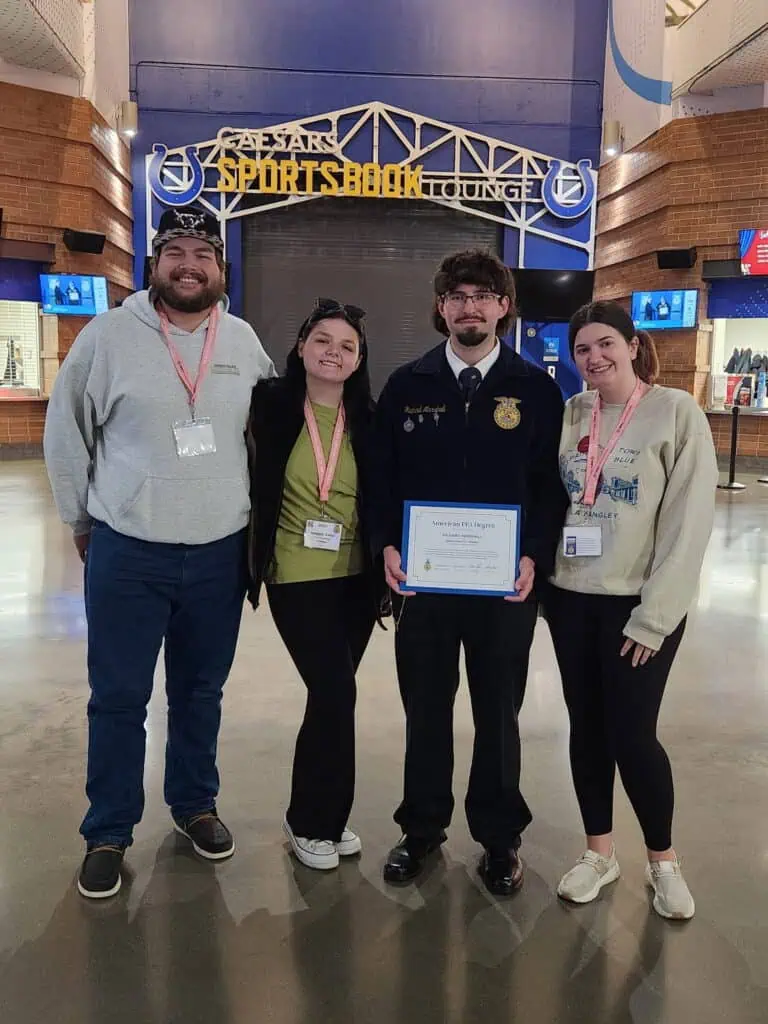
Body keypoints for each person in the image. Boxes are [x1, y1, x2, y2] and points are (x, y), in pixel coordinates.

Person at [43, 206, 275, 900]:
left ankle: (194, 803)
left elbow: (272, 432)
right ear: (155, 264)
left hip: (218, 552)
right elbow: (66, 431)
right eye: (176, 252)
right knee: (119, 697)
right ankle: (108, 831)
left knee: (200, 692)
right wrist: (80, 518)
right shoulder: (107, 336)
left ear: (221, 269)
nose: (189, 266)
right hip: (129, 551)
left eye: (203, 254)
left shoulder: (242, 340)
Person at [370, 249, 566, 895]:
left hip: (505, 587)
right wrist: (387, 544)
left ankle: (500, 838)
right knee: (426, 710)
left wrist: (533, 553)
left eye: (483, 295)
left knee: (498, 715)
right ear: (441, 307)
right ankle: (422, 829)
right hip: (423, 584)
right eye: (457, 296)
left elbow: (549, 486)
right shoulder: (407, 384)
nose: (470, 307)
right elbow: (382, 478)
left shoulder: (535, 389)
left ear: (504, 306)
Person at [542, 300, 718, 921]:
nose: (594, 357)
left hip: (637, 606)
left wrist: (655, 617)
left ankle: (663, 862)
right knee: (586, 728)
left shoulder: (676, 412)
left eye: (605, 344)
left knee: (633, 734)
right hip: (571, 600)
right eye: (582, 349)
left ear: (633, 345)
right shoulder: (573, 411)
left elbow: (688, 524)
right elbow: (554, 500)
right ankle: (599, 853)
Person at [246, 298, 387, 870]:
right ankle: (312, 822)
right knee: (335, 692)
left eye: (347, 346)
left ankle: (321, 814)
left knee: (331, 696)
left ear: (359, 359)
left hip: (356, 578)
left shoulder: (369, 418)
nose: (334, 352)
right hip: (296, 573)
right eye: (323, 340)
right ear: (301, 346)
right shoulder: (269, 405)